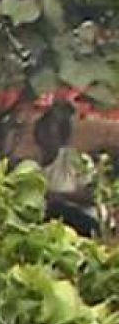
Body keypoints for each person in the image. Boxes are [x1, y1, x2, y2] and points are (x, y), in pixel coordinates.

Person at [34, 100, 102, 237]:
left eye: (50, 132)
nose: (45, 137)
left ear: (62, 135)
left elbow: (93, 195)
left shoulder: (75, 160)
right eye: (44, 131)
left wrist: (58, 196)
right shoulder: (33, 167)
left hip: (82, 221)